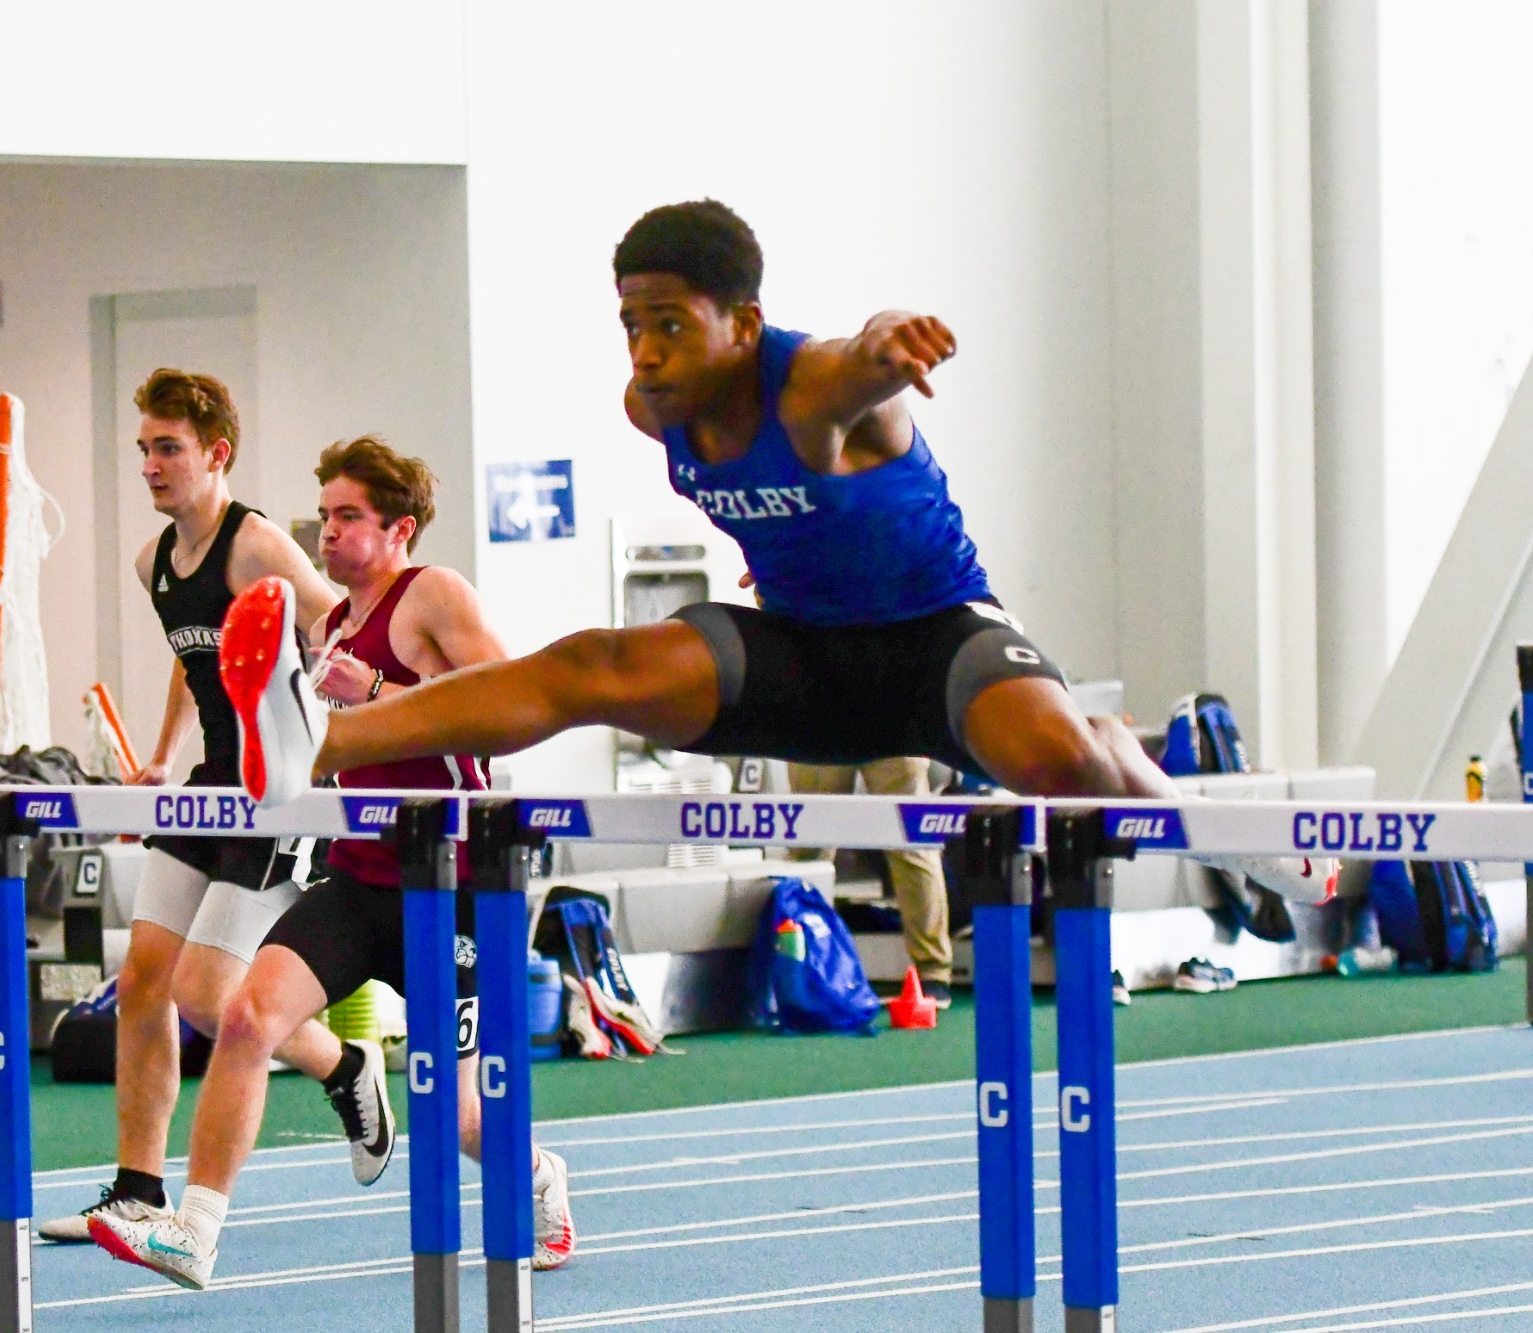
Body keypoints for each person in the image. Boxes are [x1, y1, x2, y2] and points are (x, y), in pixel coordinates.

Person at [220, 199, 1338, 906]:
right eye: (630, 325)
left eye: (671, 323)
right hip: (801, 652)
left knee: (1063, 768)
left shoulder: (813, 389)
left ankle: (1209, 819)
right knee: (592, 666)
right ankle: (320, 737)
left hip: (934, 645)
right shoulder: (650, 409)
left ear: (742, 326)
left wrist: (892, 337)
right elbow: (768, 503)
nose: (646, 353)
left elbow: (863, 361)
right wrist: (785, 551)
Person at [91, 437, 574, 1288]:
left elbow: (513, 703)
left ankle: (539, 1176)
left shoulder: (433, 596)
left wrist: (379, 694)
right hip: (358, 878)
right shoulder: (330, 625)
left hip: (447, 889)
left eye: (350, 516)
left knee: (454, 1116)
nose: (329, 532)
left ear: (400, 529)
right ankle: (195, 1232)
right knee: (243, 1017)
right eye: (328, 514)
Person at [39, 370, 386, 1246]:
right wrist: (163, 752)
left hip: (283, 792)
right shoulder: (152, 560)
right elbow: (201, 658)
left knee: (207, 997)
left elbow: (338, 626)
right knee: (143, 984)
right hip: (208, 788)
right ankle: (135, 1190)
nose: (151, 466)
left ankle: (343, 1064)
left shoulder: (259, 545)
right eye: (143, 449)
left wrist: (344, 721)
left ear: (216, 454)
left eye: (168, 449)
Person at [789, 758, 955, 1006]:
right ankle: (799, 964)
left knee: (912, 841)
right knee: (807, 844)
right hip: (818, 725)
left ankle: (933, 974)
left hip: (890, 726)